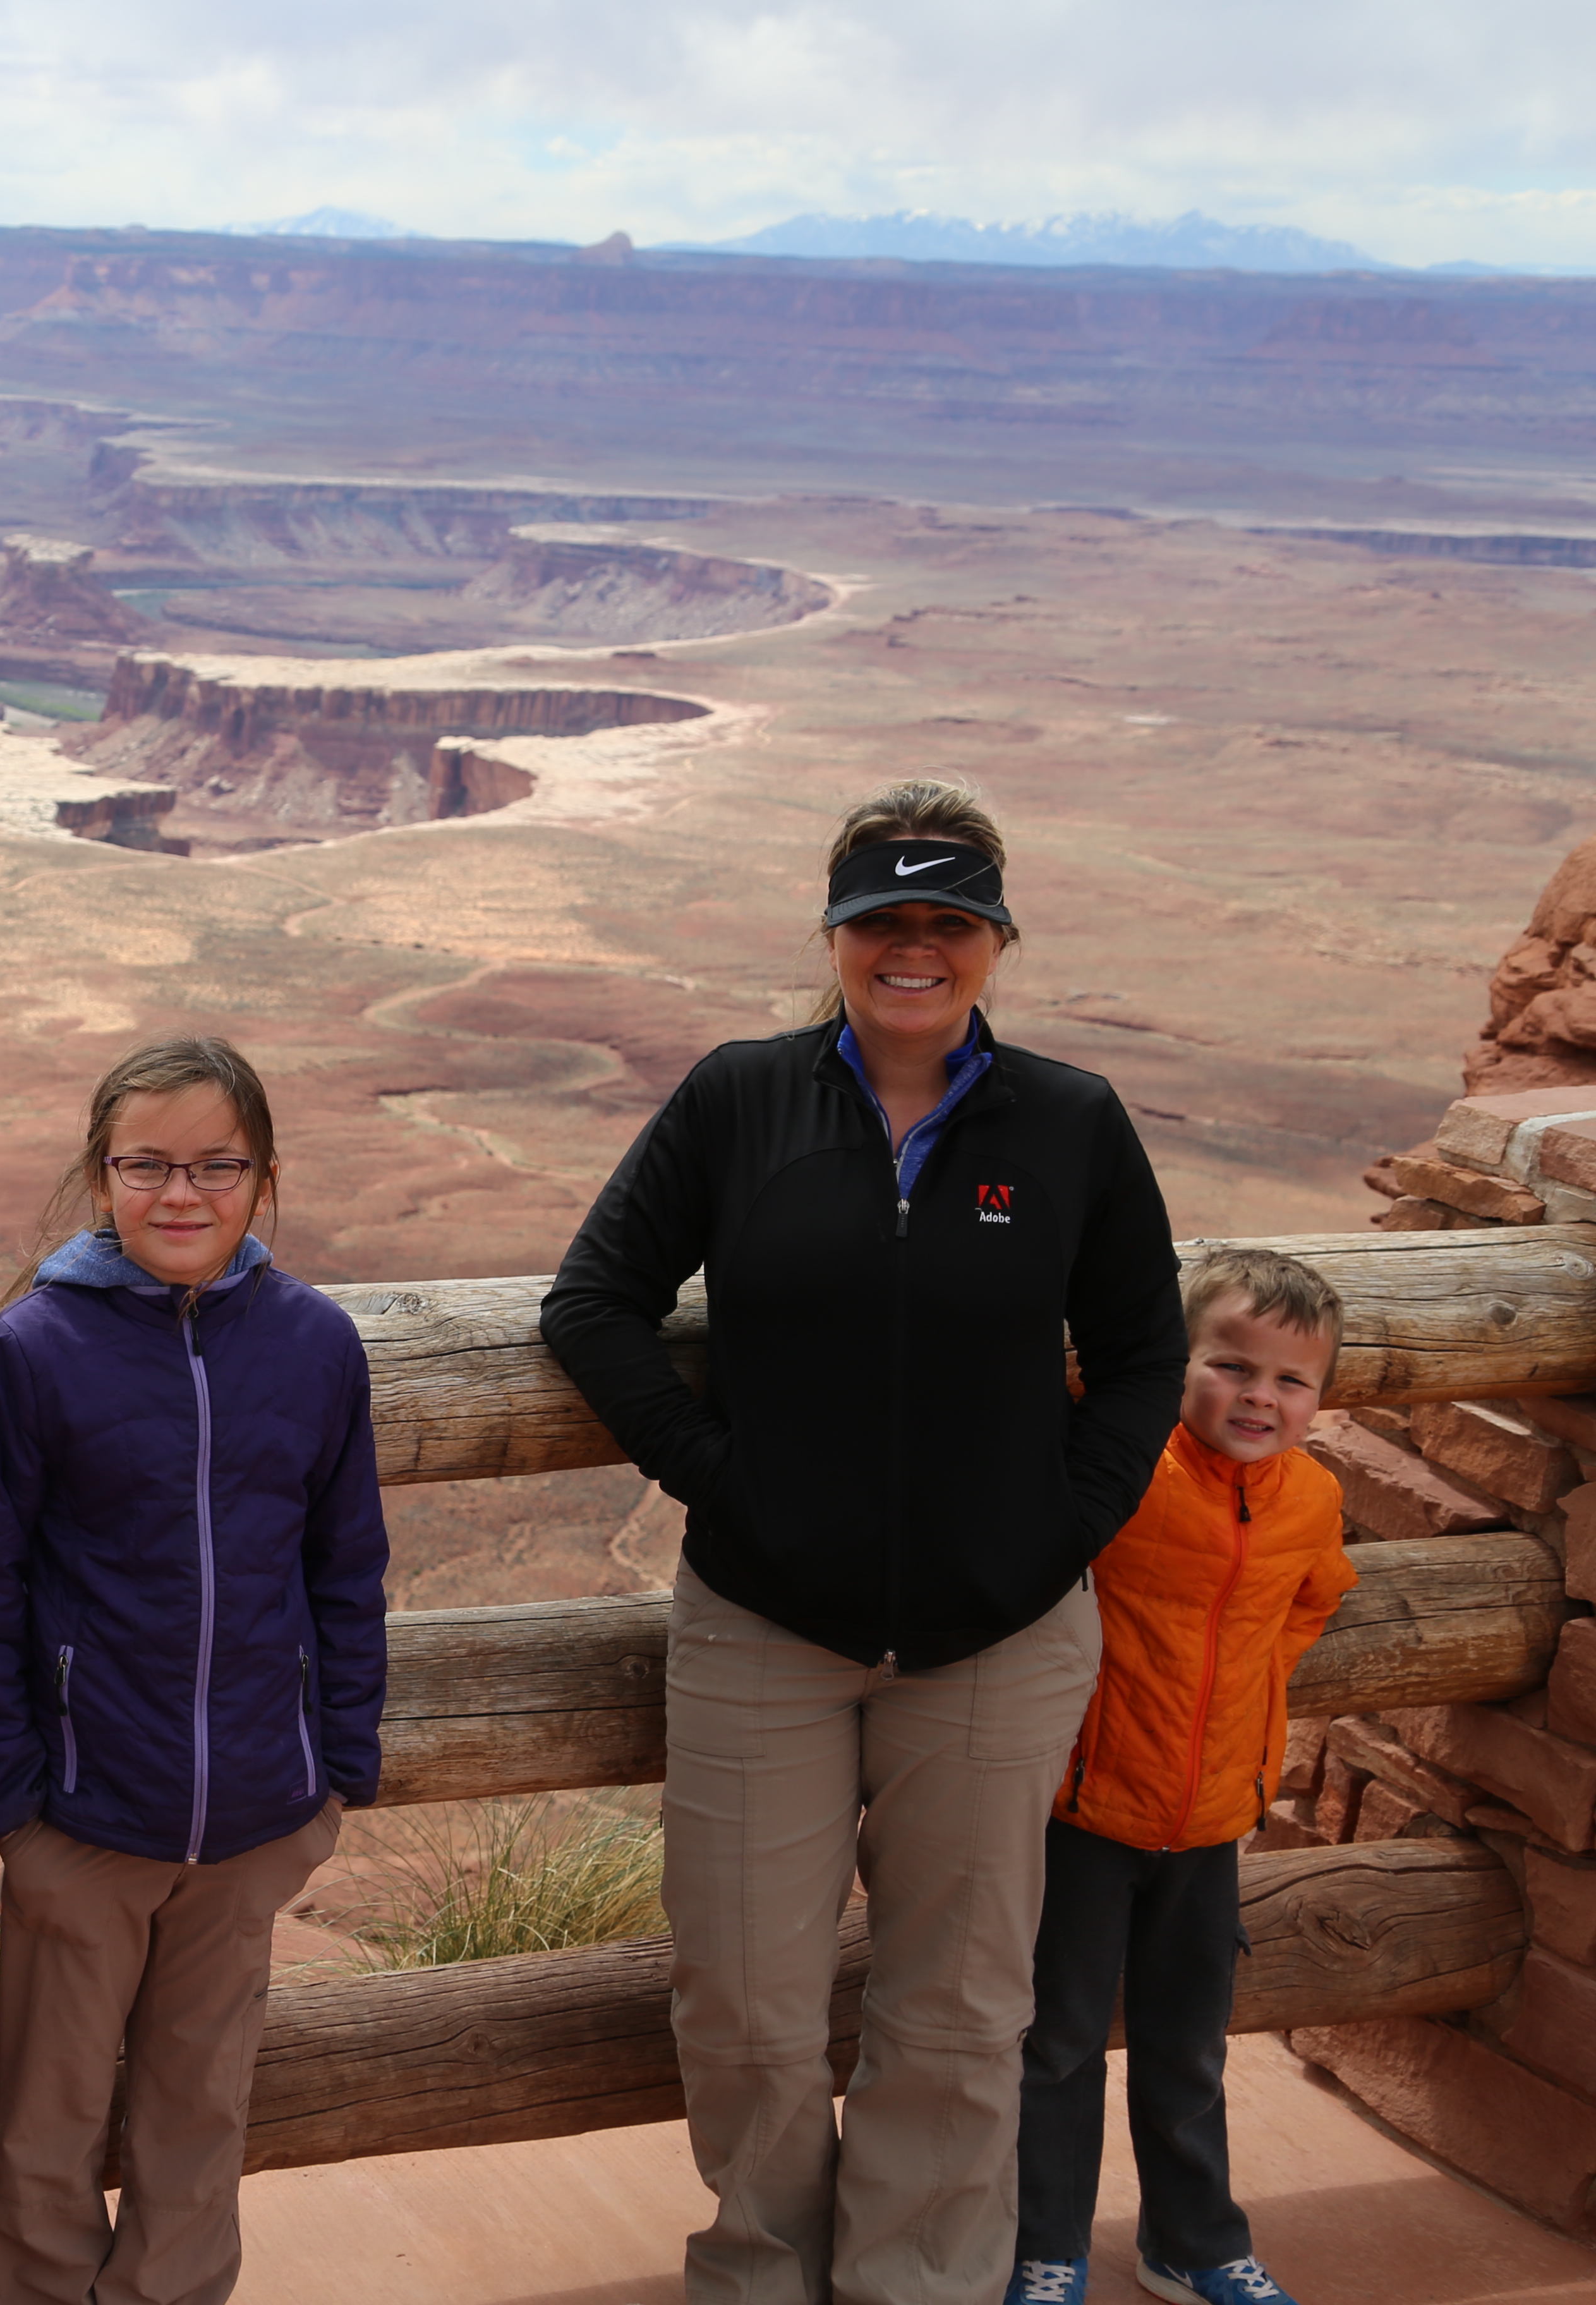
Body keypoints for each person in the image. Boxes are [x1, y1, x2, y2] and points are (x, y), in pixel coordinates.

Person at [538, 780, 1190, 2304]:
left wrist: (1060, 1526)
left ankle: (921, 2287)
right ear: (834, 937)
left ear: (995, 941)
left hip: (1002, 1641)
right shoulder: (739, 1099)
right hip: (763, 1627)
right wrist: (723, 1479)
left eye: (946, 923)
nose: (914, 951)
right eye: (880, 922)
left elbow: (1147, 1353)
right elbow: (594, 1303)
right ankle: (763, 2273)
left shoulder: (1072, 1122)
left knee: (959, 2013)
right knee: (745, 2006)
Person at [0, 1034, 389, 2305]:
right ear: (101, 1173)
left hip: (252, 1828)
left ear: (264, 1176)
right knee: (46, 2131)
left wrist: (333, 1780)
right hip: (85, 1827)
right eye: (148, 1166)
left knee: (199, 2125)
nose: (182, 1196)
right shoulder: (36, 1351)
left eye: (216, 1166)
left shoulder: (314, 1346)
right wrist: (14, 1810)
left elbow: (347, 1574)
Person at [1006, 1248, 1355, 2305]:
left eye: (1292, 1380)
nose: (1259, 1396)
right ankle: (1047, 2246)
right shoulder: (1124, 1466)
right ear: (1177, 1362)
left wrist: (1253, 1707)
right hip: (1086, 1809)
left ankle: (1193, 2243)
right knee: (1058, 2043)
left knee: (1188, 2049)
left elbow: (1313, 1602)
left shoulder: (1311, 1501)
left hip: (1211, 1822)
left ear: (1319, 1398)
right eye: (1230, 1366)